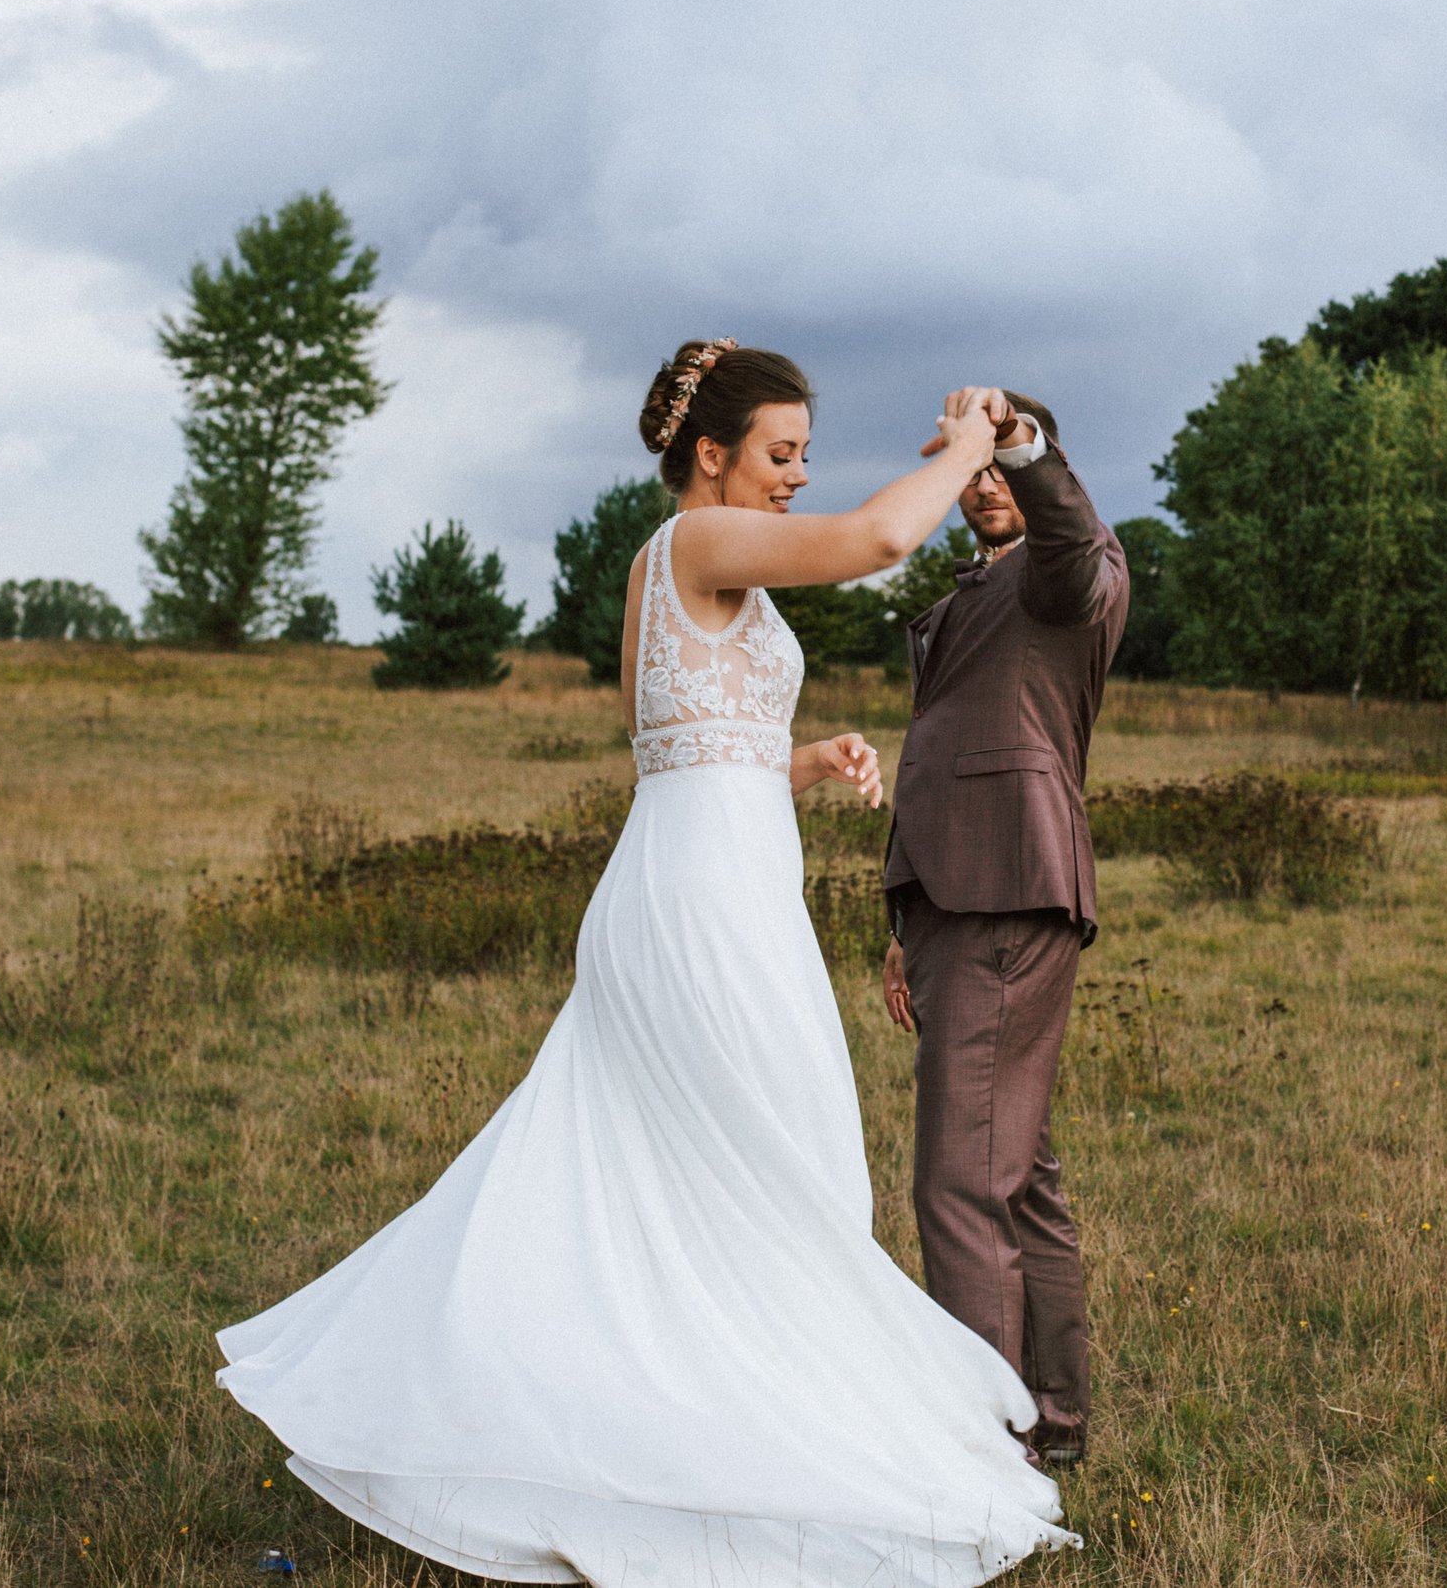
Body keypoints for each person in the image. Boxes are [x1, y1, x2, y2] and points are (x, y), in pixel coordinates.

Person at [215, 340, 1078, 1588]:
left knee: (731, 1162)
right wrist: (963, 447)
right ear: (711, 453)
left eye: (804, 456)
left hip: (714, 881)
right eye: (781, 453)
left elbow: (681, 745)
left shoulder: (684, 569)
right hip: (700, 906)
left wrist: (803, 759)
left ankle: (714, 1413)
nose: (796, 474)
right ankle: (713, 1435)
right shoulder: (690, 543)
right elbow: (879, 540)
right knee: (772, 1163)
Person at [880, 393, 1128, 1468]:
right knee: (1016, 1175)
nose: (976, 483)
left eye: (994, 465)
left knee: (957, 1185)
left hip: (1004, 896)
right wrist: (904, 921)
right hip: (953, 898)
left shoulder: (1072, 569)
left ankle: (983, 1461)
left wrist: (1016, 442)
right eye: (964, 466)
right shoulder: (972, 590)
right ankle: (1053, 1423)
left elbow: (1067, 533)